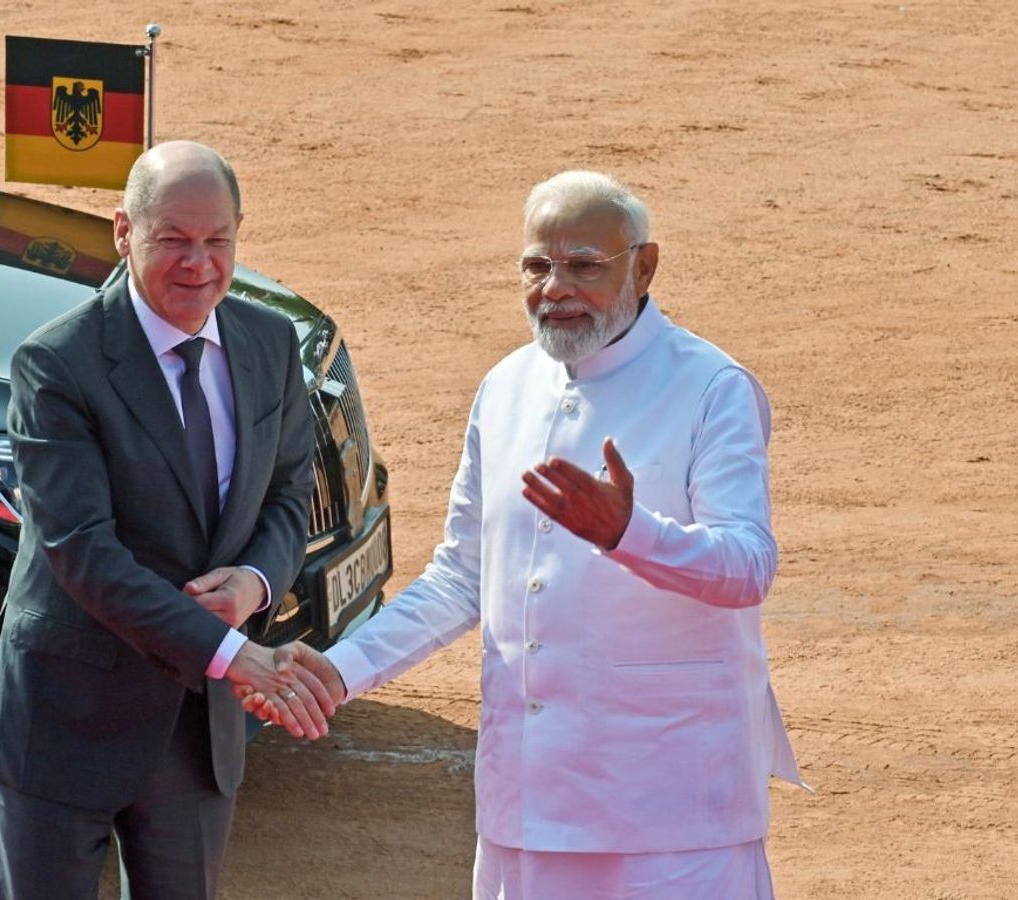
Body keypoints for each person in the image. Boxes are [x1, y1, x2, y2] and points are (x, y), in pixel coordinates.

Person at [250, 170, 807, 898]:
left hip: (673, 811)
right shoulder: (506, 387)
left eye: (584, 266)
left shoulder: (711, 388)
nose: (556, 288)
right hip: (530, 804)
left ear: (645, 266)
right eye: (537, 266)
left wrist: (629, 532)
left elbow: (746, 566)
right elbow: (460, 578)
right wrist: (343, 669)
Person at [0, 141, 334, 900]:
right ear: (123, 233)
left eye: (216, 240)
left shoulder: (268, 342)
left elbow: (290, 492)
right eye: (173, 240)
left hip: (194, 734)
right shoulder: (57, 365)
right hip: (67, 718)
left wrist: (256, 585)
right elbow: (83, 552)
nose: (198, 263)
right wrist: (232, 652)